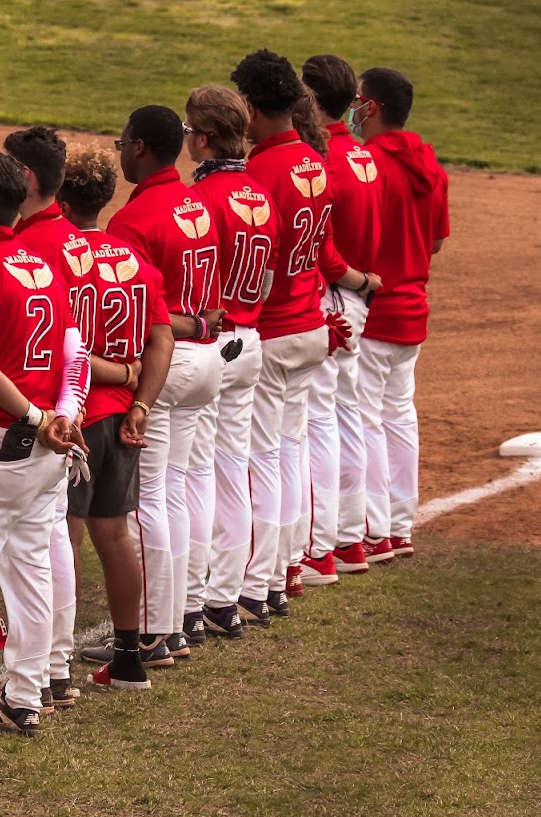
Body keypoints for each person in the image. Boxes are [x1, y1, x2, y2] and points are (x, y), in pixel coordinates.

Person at [0, 149, 89, 736]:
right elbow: (75, 352)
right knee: (32, 568)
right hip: (48, 448)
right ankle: (26, 696)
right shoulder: (42, 264)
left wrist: (40, 417)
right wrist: (64, 414)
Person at [105, 105, 224, 663]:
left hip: (165, 365)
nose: (120, 150)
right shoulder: (197, 200)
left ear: (141, 149)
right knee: (180, 488)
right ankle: (181, 616)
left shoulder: (134, 220)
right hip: (207, 360)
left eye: (123, 142)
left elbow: (137, 312)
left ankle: (153, 630)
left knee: (149, 498)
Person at [56, 144, 174, 688]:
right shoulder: (132, 260)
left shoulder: (55, 256)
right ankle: (129, 659)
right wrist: (141, 401)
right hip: (123, 419)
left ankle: (53, 664)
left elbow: (63, 349)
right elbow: (162, 336)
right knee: (115, 534)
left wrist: (117, 379)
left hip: (77, 417)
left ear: (60, 193)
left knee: (65, 535)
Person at [229, 50, 334, 622]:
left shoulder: (262, 172)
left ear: (250, 104)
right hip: (310, 322)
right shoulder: (315, 161)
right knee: (291, 452)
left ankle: (260, 579)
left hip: (272, 329)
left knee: (264, 456)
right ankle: (287, 566)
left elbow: (256, 267)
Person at [2, 126, 101, 705]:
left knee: (29, 547)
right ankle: (56, 664)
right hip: (75, 395)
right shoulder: (82, 240)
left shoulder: (32, 248)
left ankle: (45, 669)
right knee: (52, 539)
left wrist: (53, 410)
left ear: (28, 179)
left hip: (36, 408)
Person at [179, 86, 280, 639]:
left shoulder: (206, 200)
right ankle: (224, 599)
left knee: (196, 476)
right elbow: (268, 276)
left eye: (192, 128)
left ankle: (191, 604)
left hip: (213, 342)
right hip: (253, 338)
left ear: (206, 138)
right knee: (233, 471)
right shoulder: (260, 194)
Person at [352, 66, 450, 561]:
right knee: (398, 416)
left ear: (373, 107)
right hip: (414, 309)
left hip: (374, 311)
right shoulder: (430, 165)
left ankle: (374, 530)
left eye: (358, 100)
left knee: (364, 418)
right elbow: (433, 242)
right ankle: (399, 524)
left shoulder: (366, 165)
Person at [299, 55, 386, 579]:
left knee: (317, 423)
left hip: (335, 296)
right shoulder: (363, 155)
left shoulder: (326, 160)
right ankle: (350, 539)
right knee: (346, 416)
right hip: (357, 300)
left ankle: (321, 547)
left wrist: (352, 280)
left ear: (310, 98)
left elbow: (323, 250)